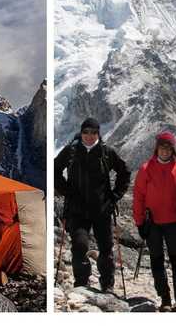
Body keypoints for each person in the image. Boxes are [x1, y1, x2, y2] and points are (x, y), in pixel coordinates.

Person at [54, 117, 131, 294]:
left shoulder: (107, 152)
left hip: (102, 209)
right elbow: (55, 170)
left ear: (98, 134)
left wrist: (115, 195)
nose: (89, 136)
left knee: (106, 247)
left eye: (93, 132)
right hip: (77, 210)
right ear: (81, 133)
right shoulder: (71, 151)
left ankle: (107, 285)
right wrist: (66, 190)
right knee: (79, 246)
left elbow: (124, 172)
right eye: (86, 132)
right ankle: (81, 283)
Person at [132, 130, 176, 312]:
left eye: (168, 148)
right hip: (153, 223)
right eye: (161, 147)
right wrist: (140, 222)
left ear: (172, 150)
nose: (164, 151)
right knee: (157, 260)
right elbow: (138, 197)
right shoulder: (145, 169)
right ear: (156, 149)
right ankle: (165, 299)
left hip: (174, 222)